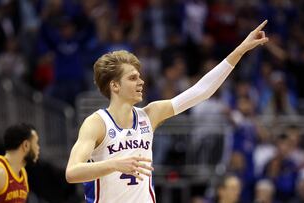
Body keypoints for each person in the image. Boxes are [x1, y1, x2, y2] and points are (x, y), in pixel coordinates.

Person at [66, 21, 269, 203]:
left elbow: (201, 91)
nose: (141, 82)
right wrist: (114, 164)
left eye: (140, 77)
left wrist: (240, 50)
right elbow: (72, 172)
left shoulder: (150, 114)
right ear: (115, 86)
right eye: (133, 78)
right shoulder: (97, 123)